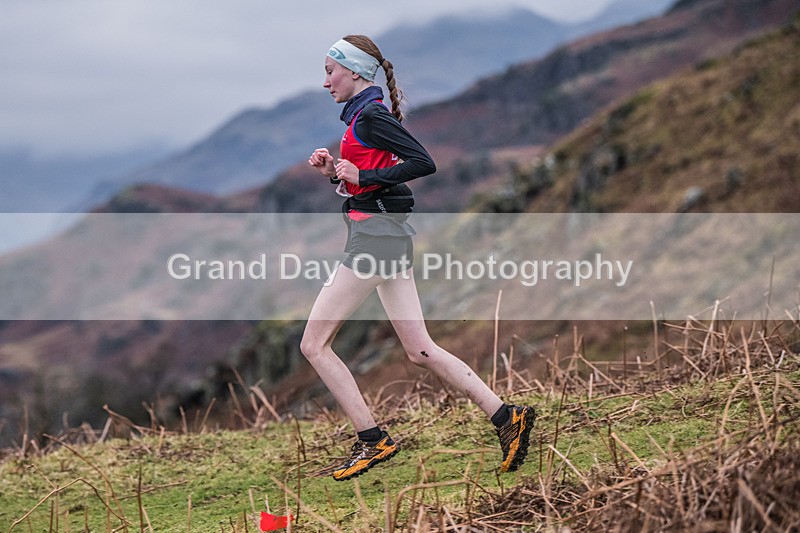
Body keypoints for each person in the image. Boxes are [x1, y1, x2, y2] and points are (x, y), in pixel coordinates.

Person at [303, 34, 536, 481]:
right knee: (421, 350)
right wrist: (335, 171)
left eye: (330, 71)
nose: (325, 82)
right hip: (388, 238)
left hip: (374, 242)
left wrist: (362, 173)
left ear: (353, 70)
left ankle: (372, 440)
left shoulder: (370, 116)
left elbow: (422, 162)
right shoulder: (363, 116)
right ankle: (508, 417)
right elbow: (379, 182)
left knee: (313, 345)